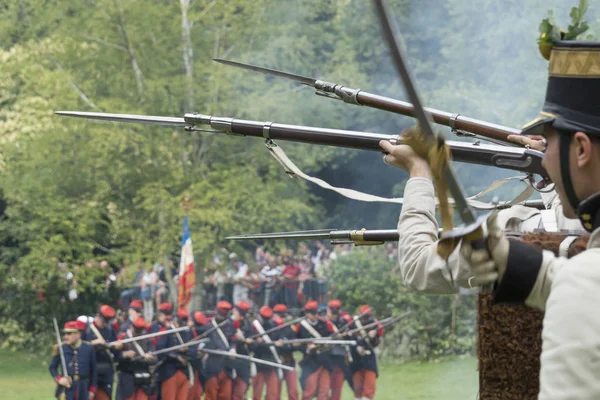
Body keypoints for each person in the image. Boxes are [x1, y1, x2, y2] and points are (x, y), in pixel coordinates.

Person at [452, 37, 600, 399]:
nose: (545, 160)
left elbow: (587, 288)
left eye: (548, 144)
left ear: (580, 149)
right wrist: (521, 265)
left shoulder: (582, 287)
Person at [379, 131, 583, 294]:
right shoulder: (577, 224)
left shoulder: (517, 229)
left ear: (583, 148)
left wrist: (419, 171)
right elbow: (567, 217)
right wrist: (553, 173)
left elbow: (417, 267)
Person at [82, 305, 122, 400]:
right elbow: (80, 347)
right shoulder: (87, 329)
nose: (106, 323)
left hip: (106, 372)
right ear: (98, 316)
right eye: (104, 320)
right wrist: (94, 343)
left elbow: (115, 351)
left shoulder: (110, 329)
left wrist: (117, 346)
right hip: (90, 370)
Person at [49, 321, 97, 400]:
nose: (65, 337)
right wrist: (59, 379)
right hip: (66, 388)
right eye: (65, 334)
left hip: (83, 388)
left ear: (78, 334)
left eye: (69, 334)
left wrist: (91, 390)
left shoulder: (88, 348)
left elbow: (94, 371)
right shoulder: (61, 348)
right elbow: (52, 367)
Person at [296, 301, 333, 400]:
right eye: (313, 313)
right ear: (307, 313)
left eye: (316, 313)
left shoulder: (324, 323)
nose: (315, 315)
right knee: (309, 391)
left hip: (324, 361)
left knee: (324, 391)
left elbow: (331, 337)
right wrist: (307, 349)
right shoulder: (301, 327)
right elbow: (297, 344)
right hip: (310, 362)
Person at [116, 317, 157, 400]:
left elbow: (155, 358)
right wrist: (124, 354)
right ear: (131, 327)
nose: (138, 334)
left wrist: (147, 358)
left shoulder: (147, 339)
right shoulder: (122, 338)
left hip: (143, 377)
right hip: (128, 377)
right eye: (136, 332)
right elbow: (116, 357)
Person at [202, 301, 237, 400]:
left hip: (227, 365)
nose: (222, 317)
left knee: (225, 395)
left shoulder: (230, 325)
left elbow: (233, 340)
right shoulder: (208, 326)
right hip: (213, 364)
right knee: (211, 394)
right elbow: (203, 342)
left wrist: (233, 349)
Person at [348, 305, 383, 400]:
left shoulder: (374, 324)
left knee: (369, 387)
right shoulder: (352, 323)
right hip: (356, 359)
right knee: (357, 388)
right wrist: (357, 347)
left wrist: (373, 337)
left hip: (369, 358)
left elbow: (376, 342)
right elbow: (348, 339)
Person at [251, 306, 280, 400]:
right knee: (257, 392)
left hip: (272, 362)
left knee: (272, 393)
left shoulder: (275, 326)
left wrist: (278, 343)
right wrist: (257, 343)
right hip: (259, 361)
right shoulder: (254, 327)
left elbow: (278, 342)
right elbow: (251, 347)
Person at [326, 300, 352, 400]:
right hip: (326, 360)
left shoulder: (344, 323)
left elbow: (350, 339)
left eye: (335, 313)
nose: (333, 315)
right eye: (332, 312)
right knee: (325, 390)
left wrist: (346, 335)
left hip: (340, 359)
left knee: (337, 390)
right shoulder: (323, 322)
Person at [273, 304, 299, 400]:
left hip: (289, 361)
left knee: (293, 392)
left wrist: (292, 345)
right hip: (276, 361)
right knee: (275, 393)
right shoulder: (271, 328)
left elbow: (294, 345)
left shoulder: (289, 328)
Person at [231, 301, 255, 400]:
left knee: (240, 392)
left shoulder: (248, 325)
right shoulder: (229, 323)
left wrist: (249, 342)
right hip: (229, 362)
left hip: (243, 362)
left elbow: (253, 346)